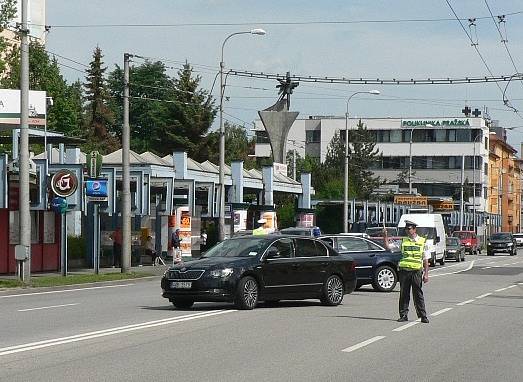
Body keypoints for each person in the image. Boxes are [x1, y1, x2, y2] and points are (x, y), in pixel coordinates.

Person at [384, 219, 430, 323]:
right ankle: (403, 315)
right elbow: (388, 247)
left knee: (418, 294)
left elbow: (426, 259)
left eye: (409, 228)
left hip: (416, 271)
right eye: (406, 229)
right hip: (404, 271)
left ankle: (423, 316)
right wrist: (385, 236)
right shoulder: (403, 241)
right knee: (404, 294)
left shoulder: (422, 241)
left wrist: (426, 274)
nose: (407, 230)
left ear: (414, 229)